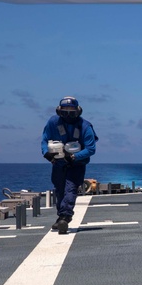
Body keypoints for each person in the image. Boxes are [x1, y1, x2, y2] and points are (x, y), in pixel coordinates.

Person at [41, 96, 98, 234]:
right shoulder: (53, 122)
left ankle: (66, 216)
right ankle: (61, 215)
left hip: (76, 163)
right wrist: (46, 153)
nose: (68, 115)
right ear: (59, 111)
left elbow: (91, 149)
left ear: (77, 112)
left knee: (70, 188)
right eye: (65, 112)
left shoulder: (85, 126)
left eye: (71, 112)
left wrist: (73, 157)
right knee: (59, 189)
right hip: (58, 163)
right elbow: (44, 140)